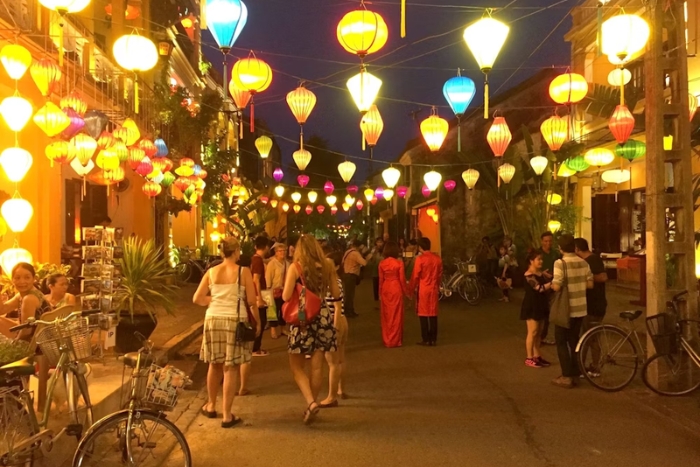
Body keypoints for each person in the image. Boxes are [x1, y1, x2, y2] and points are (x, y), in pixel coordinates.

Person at [193, 237, 261, 427]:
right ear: (237, 251)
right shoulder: (243, 271)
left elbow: (197, 298)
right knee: (230, 368)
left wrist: (213, 301)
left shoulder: (212, 271)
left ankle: (211, 405)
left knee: (214, 365)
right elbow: (252, 301)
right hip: (234, 320)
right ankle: (227, 415)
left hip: (213, 319)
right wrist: (258, 322)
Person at [282, 235, 341, 424]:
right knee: (317, 366)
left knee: (296, 366)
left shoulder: (296, 268)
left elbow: (285, 296)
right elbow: (336, 292)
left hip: (303, 318)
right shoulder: (328, 266)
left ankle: (310, 402)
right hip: (323, 315)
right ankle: (312, 403)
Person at [550, 234, 593, 389]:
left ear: (560, 248)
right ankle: (575, 373)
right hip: (580, 308)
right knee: (574, 341)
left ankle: (566, 376)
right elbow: (590, 284)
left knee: (561, 342)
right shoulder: (583, 262)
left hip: (565, 309)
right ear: (574, 248)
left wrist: (551, 284)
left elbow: (557, 286)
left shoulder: (560, 263)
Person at [575, 238, 608, 376]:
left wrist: (587, 278)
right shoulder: (589, 260)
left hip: (594, 304)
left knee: (588, 337)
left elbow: (603, 277)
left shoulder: (591, 261)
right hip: (594, 304)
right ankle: (593, 366)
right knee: (591, 336)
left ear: (577, 249)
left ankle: (587, 367)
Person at [320, 251, 349, 407]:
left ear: (337, 267)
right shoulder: (337, 281)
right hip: (342, 320)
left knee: (332, 362)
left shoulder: (332, 283)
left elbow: (336, 307)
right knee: (340, 359)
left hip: (334, 321)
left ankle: (331, 396)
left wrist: (334, 327)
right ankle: (340, 389)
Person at [0, 263, 53, 341]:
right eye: (17, 278)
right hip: (39, 338)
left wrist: (13, 346)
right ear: (12, 279)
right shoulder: (23, 295)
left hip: (37, 343)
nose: (22, 281)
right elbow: (2, 310)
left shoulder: (29, 299)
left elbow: (26, 332)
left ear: (34, 278)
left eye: (27, 278)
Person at [520, 251, 552, 368]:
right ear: (531, 261)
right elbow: (539, 288)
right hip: (532, 305)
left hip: (541, 304)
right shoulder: (529, 275)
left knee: (538, 332)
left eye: (541, 259)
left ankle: (537, 355)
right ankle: (529, 358)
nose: (541, 262)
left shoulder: (539, 273)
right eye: (538, 259)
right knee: (532, 331)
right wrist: (552, 283)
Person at [409, 238, 443, 346]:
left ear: (420, 247)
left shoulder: (420, 259)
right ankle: (433, 338)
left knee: (423, 313)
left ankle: (425, 338)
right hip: (433, 288)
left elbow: (415, 276)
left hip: (423, 288)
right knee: (433, 313)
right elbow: (439, 275)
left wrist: (410, 288)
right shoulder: (437, 259)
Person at [379, 241, 407, 348]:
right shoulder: (399, 263)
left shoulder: (382, 263)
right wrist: (406, 291)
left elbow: (380, 281)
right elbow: (402, 280)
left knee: (386, 315)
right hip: (396, 287)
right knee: (397, 314)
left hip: (386, 287)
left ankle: (387, 339)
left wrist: (380, 294)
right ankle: (396, 340)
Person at [539, 231, 560, 345]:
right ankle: (539, 337)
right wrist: (542, 272)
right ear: (542, 241)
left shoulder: (555, 254)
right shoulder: (537, 254)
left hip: (553, 285)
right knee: (541, 312)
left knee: (550, 312)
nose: (548, 243)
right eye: (546, 241)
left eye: (550, 241)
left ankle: (546, 335)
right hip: (541, 286)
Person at [250, 236, 270, 357]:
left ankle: (256, 347)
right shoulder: (257, 261)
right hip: (260, 294)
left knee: (261, 320)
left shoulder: (255, 259)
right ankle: (255, 348)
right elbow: (256, 279)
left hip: (258, 293)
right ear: (266, 247)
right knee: (261, 320)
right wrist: (259, 297)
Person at [265, 242, 288, 340]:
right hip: (273, 290)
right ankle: (273, 329)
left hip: (284, 290)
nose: (282, 253)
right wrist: (268, 290)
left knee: (283, 310)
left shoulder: (287, 263)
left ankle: (283, 328)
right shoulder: (272, 263)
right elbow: (268, 278)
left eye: (284, 251)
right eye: (280, 251)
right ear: (276, 252)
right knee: (272, 310)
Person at [341, 239, 369, 318]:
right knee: (350, 294)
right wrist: (367, 258)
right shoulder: (356, 253)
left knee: (347, 294)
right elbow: (364, 263)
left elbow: (342, 261)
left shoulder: (347, 252)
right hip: (351, 275)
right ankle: (349, 311)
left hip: (346, 274)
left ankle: (348, 310)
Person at [368, 237, 385, 304]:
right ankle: (376, 301)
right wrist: (374, 253)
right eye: (378, 242)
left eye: (381, 242)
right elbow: (372, 260)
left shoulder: (385, 250)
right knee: (376, 287)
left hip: (384, 271)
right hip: (375, 271)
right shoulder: (374, 250)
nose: (379, 244)